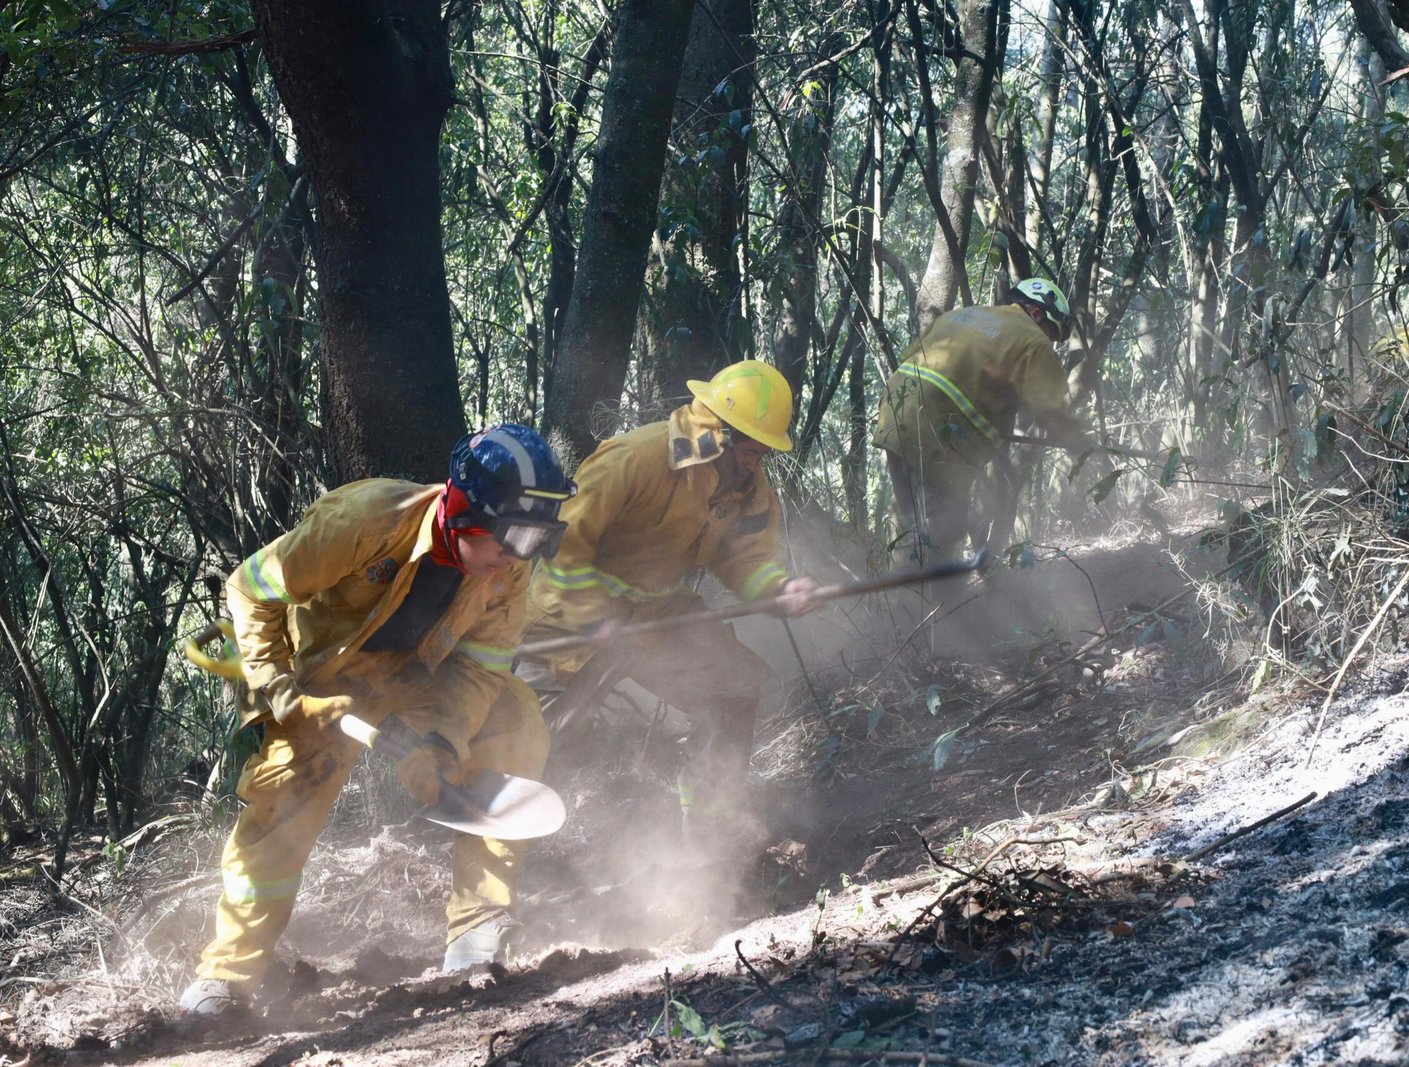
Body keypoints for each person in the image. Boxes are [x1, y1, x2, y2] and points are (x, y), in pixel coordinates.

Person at [179, 424, 576, 1015]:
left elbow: (485, 666)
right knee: (285, 796)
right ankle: (225, 978)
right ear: (462, 512)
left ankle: (476, 939)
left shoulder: (508, 563)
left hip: (422, 675)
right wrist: (279, 689)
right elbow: (249, 589)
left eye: (531, 541)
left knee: (512, 717)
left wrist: (444, 740)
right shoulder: (364, 521)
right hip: (322, 682)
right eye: (508, 540)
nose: (513, 562)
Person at [515, 360, 819, 865]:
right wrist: (597, 617)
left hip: (660, 619)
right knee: (534, 745)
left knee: (734, 687)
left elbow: (745, 557)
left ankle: (710, 842)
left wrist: (779, 588)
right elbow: (563, 543)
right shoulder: (635, 458)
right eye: (750, 449)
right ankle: (511, 863)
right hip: (570, 620)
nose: (756, 461)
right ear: (717, 433)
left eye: (763, 451)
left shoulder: (746, 484)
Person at [873, 277, 1094, 563]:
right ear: (1037, 314)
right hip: (939, 433)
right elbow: (1052, 411)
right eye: (1052, 332)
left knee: (911, 522)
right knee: (943, 528)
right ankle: (934, 600)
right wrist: (1080, 444)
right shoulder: (1033, 340)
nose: (1050, 341)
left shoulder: (962, 315)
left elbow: (910, 357)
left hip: (895, 416)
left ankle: (902, 596)